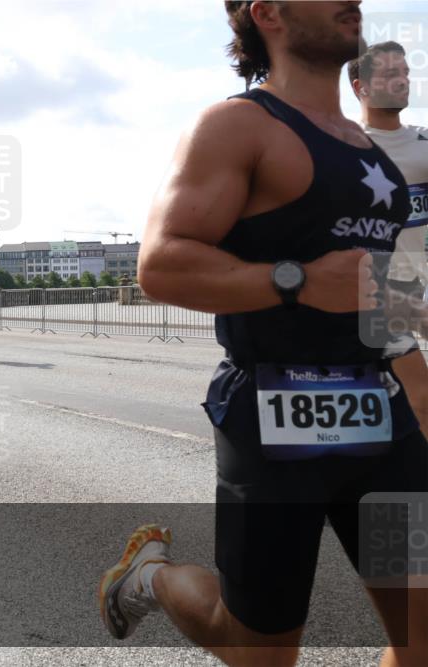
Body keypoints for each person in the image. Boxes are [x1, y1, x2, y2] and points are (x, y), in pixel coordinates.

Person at [100, 4, 427, 667]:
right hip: (276, 414)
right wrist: (296, 279)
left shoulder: (375, 158)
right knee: (259, 652)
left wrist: (415, 378)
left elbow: (376, 296)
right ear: (268, 12)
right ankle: (151, 577)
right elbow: (160, 263)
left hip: (380, 417)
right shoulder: (237, 126)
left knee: (422, 634)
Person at [349, 40, 428, 439]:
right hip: (376, 293)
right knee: (421, 399)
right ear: (360, 86)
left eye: (405, 73)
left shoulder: (424, 143)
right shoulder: (345, 147)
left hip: (422, 284)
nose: (401, 82)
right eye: (388, 74)